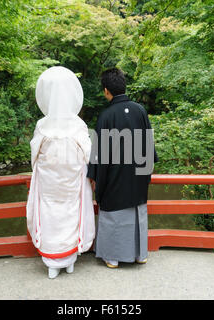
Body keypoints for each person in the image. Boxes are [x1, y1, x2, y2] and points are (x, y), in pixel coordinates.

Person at [26, 66, 95, 279]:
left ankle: (52, 264)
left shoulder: (41, 125)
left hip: (48, 183)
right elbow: (88, 154)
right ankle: (70, 260)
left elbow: (34, 155)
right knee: (72, 212)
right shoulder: (79, 125)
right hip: (72, 181)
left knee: (49, 215)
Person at [87, 68, 158, 268]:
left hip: (114, 178)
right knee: (137, 213)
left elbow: (98, 153)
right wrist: (146, 174)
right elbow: (148, 147)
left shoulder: (106, 116)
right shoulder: (140, 110)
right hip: (137, 177)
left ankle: (113, 257)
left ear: (106, 91)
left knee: (114, 212)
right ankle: (139, 254)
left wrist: (94, 175)